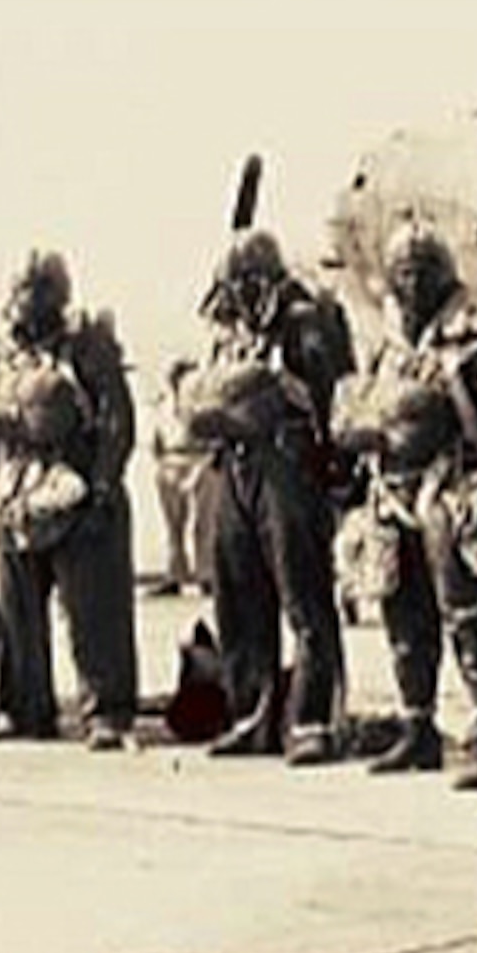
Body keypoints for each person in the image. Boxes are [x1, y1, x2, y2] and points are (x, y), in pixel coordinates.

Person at [333, 222, 477, 786]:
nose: (411, 284)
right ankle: (418, 727)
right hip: (392, 492)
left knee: (467, 615)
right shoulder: (387, 346)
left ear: (444, 276)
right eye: (402, 273)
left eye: (422, 272)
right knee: (402, 614)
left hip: (450, 488)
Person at [187, 228, 355, 766]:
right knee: (238, 595)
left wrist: (338, 477)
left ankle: (313, 718)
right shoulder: (227, 327)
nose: (238, 296)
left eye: (247, 284)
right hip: (235, 464)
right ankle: (252, 712)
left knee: (303, 596)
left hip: (289, 466)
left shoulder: (310, 320)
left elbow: (336, 399)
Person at [0, 250, 138, 750]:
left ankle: (106, 710)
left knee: (94, 610)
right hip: (16, 493)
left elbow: (116, 419)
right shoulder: (1, 354)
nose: (25, 301)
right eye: (20, 290)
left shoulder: (88, 345)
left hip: (78, 488)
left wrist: (102, 485)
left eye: (36, 290)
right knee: (13, 607)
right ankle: (22, 708)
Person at [147, 355, 210, 596]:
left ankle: (206, 574)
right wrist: (161, 465)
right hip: (170, 462)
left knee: (202, 523)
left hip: (198, 460)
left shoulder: (200, 404)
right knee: (173, 526)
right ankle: (175, 574)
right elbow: (156, 440)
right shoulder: (163, 406)